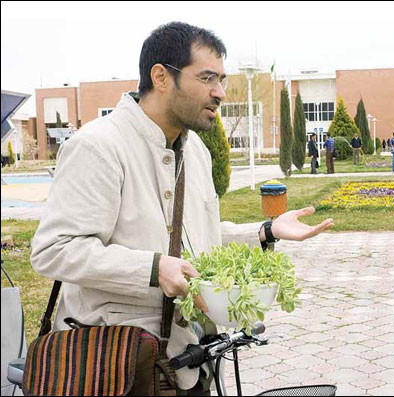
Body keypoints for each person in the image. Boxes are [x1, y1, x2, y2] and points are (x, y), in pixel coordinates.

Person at [30, 22, 334, 396]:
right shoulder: (98, 146)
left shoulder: (196, 151)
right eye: (207, 78)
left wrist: (265, 230)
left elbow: (194, 243)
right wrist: (154, 269)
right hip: (119, 369)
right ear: (161, 77)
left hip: (191, 364)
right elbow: (54, 250)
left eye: (221, 79)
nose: (220, 92)